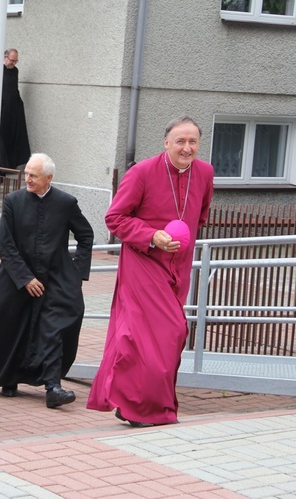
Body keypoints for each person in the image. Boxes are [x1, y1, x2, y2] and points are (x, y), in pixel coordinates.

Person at [87, 116, 214, 427]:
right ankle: (141, 409)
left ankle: (136, 403)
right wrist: (151, 236)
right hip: (143, 262)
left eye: (193, 141)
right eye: (180, 141)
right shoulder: (142, 172)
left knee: (170, 336)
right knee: (150, 336)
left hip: (178, 266)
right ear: (166, 142)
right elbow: (115, 217)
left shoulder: (205, 172)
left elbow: (201, 214)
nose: (187, 148)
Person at [0, 153, 94, 408]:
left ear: (49, 178)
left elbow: (86, 235)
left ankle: (53, 387)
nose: (27, 179)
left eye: (33, 175)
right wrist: (25, 278)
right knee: (12, 325)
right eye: (26, 173)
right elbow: (6, 246)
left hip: (55, 277)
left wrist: (76, 271)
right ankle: (9, 377)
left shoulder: (66, 202)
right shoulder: (12, 201)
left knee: (55, 327)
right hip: (16, 275)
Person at [0, 48, 31, 169]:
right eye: (12, 60)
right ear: (5, 57)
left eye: (16, 61)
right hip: (1, 109)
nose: (13, 63)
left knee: (14, 137)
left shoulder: (15, 70)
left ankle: (12, 164)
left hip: (13, 109)